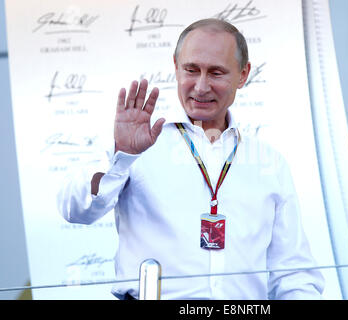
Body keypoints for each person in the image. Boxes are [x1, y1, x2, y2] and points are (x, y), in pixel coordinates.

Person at [58, 18, 325, 300]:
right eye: (191, 70)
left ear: (243, 74)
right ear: (175, 66)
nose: (200, 87)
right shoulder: (135, 143)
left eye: (216, 73)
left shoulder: (270, 163)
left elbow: (294, 273)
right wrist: (121, 158)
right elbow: (75, 209)